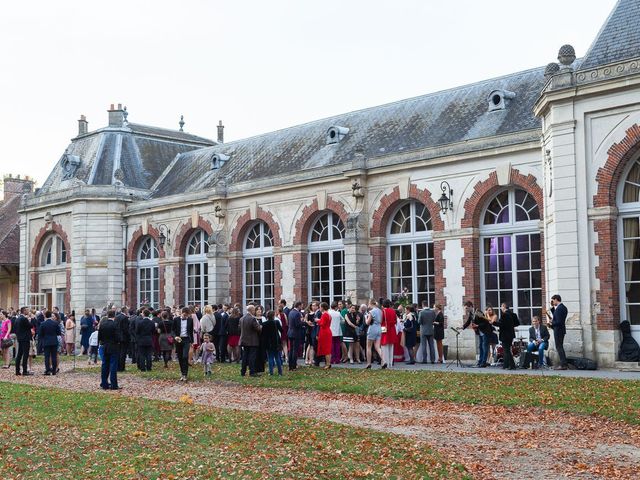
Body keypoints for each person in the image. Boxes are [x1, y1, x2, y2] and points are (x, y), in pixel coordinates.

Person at [462, 301, 493, 367]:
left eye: (467, 308)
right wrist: (462, 327)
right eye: (465, 309)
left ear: (471, 306)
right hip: (480, 332)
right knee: (480, 347)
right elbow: (468, 322)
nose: (466, 310)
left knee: (484, 347)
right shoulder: (471, 313)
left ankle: (483, 362)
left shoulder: (478, 312)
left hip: (485, 331)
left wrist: (478, 325)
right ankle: (480, 361)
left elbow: (486, 322)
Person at [98, 310, 121, 389]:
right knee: (113, 365)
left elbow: (99, 336)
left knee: (105, 365)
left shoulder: (102, 324)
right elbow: (118, 337)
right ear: (114, 316)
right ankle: (114, 384)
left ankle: (104, 384)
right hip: (113, 346)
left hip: (105, 346)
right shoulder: (115, 324)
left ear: (107, 315)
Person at [546, 294, 568, 370]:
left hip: (558, 330)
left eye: (552, 300)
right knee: (560, 347)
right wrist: (552, 308)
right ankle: (564, 364)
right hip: (560, 330)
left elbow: (559, 322)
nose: (552, 302)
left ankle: (563, 365)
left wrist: (551, 324)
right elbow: (557, 317)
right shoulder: (562, 307)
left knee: (559, 347)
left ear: (556, 299)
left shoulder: (560, 309)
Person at [493, 303, 517, 370]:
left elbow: (501, 324)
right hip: (510, 335)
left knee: (506, 351)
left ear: (504, 307)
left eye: (501, 306)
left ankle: (512, 366)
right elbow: (517, 323)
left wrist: (493, 323)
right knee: (507, 350)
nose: (501, 308)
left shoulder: (504, 314)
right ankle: (505, 365)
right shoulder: (512, 314)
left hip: (505, 335)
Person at [239, 305, 262, 377]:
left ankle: (243, 371)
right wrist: (261, 326)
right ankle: (252, 372)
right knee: (252, 357)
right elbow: (258, 328)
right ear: (252, 310)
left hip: (244, 340)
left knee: (245, 357)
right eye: (254, 310)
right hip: (252, 341)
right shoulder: (252, 319)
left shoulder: (242, 318)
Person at [173, 307, 194, 381]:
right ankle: (182, 373)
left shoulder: (190, 320)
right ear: (181, 313)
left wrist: (192, 342)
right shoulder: (176, 319)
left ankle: (185, 374)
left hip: (186, 339)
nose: (186, 317)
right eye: (184, 315)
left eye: (187, 315)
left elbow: (191, 331)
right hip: (179, 339)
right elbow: (173, 330)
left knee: (185, 356)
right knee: (180, 357)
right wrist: (175, 337)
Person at [39, 311, 61, 375]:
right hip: (54, 341)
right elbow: (58, 333)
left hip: (46, 341)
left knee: (47, 357)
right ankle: (54, 370)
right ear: (50, 316)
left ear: (45, 316)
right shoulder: (55, 323)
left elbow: (40, 334)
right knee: (54, 356)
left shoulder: (43, 324)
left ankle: (48, 370)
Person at [262, 310, 283, 375]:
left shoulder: (264, 324)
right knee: (277, 358)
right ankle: (280, 372)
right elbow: (281, 330)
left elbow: (263, 334)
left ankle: (271, 372)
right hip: (276, 342)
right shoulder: (276, 322)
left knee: (270, 358)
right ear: (273, 316)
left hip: (268, 343)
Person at [14, 307, 33, 376]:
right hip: (25, 339)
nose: (28, 311)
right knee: (25, 354)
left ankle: (17, 371)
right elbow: (30, 326)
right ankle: (24, 371)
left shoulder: (17, 319)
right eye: (27, 310)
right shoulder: (24, 319)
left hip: (20, 338)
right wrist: (31, 320)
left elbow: (15, 329)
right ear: (24, 311)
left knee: (19, 354)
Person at [364, 299, 383, 369]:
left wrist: (366, 317)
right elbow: (381, 320)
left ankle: (368, 363)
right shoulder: (380, 311)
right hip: (379, 328)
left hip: (372, 328)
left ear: (370, 303)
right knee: (378, 347)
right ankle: (383, 361)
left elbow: (367, 323)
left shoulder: (371, 312)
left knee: (369, 347)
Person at [287, 301, 304, 370]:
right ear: (299, 306)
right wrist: (303, 322)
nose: (302, 307)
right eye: (301, 305)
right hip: (296, 333)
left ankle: (290, 365)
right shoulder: (297, 313)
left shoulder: (291, 312)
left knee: (291, 350)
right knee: (295, 350)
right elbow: (298, 324)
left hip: (290, 332)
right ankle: (293, 366)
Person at [315, 302, 332, 369]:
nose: (319, 308)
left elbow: (322, 324)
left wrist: (317, 321)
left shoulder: (324, 314)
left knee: (326, 349)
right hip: (327, 331)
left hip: (324, 332)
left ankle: (328, 364)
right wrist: (320, 320)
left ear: (322, 307)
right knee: (327, 348)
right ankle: (328, 363)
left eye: (320, 307)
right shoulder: (328, 314)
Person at [114, 307, 130, 372]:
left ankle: (117, 367)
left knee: (118, 352)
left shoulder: (117, 317)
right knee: (123, 353)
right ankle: (121, 367)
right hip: (123, 337)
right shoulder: (125, 318)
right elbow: (125, 329)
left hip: (117, 337)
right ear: (125, 310)